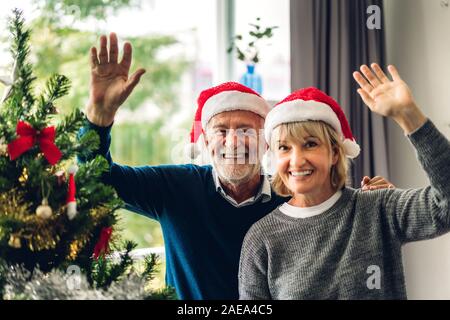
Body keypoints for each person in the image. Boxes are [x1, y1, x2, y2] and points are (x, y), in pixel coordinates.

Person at [79, 33, 393, 299]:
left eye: (246, 131)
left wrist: (373, 205)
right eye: (221, 131)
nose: (234, 143)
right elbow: (100, 181)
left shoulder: (294, 194)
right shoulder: (174, 188)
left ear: (266, 142)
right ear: (205, 141)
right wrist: (98, 118)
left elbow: (345, 223)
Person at [238, 63, 450, 300]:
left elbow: (445, 207)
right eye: (284, 148)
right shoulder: (261, 239)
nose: (296, 161)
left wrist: (409, 117)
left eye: (310, 144)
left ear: (335, 153)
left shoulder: (378, 208)